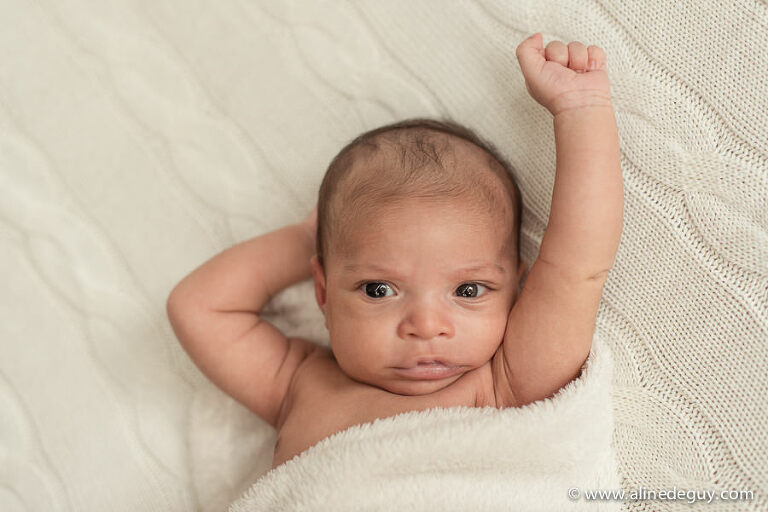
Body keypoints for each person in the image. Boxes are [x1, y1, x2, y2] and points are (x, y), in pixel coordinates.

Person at [166, 33, 623, 469]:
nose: (425, 326)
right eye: (379, 289)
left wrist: (582, 110)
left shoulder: (505, 380)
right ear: (322, 292)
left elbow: (575, 265)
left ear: (516, 288)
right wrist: (312, 235)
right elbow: (199, 307)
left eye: (467, 290)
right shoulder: (299, 386)